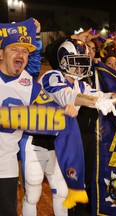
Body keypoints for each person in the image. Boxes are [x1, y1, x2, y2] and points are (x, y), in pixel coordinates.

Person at [40, 38, 116, 216]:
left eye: (83, 62)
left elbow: (101, 95)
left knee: (67, 188)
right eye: (76, 63)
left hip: (63, 141)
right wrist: (96, 101)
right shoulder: (52, 76)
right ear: (63, 61)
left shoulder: (81, 83)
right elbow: (67, 96)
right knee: (35, 189)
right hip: (41, 141)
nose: (80, 67)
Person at [0, 33, 78, 216]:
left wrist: (66, 109)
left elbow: (49, 106)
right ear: (1, 53)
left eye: (25, 51)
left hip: (6, 165)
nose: (20, 54)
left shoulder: (28, 83)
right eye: (14, 49)